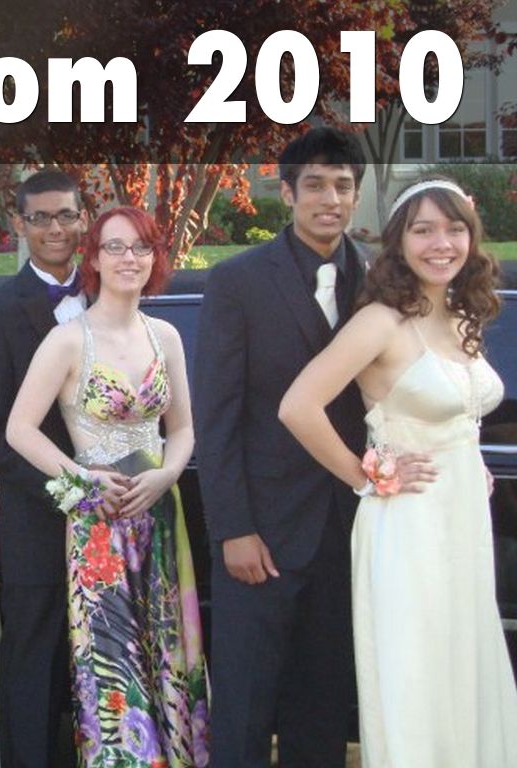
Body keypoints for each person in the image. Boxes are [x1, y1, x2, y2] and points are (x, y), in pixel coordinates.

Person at [280, 178, 517, 766]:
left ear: (471, 237)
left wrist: (467, 458)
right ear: (400, 242)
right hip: (408, 524)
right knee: (418, 672)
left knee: (463, 664)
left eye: (455, 229)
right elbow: (298, 407)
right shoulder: (381, 322)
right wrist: (366, 476)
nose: (442, 243)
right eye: (423, 230)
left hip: (462, 518)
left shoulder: (462, 312)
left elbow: (458, 411)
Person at [193, 127, 372, 767]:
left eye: (343, 186)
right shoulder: (237, 282)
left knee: (322, 705)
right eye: (315, 185)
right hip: (261, 535)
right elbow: (217, 418)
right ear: (288, 192)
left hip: (348, 531)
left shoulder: (380, 282)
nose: (331, 199)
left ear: (356, 195)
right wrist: (233, 529)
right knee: (244, 705)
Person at [7, 206, 209, 767]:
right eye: (114, 247)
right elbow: (18, 429)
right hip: (99, 523)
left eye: (141, 247)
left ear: (155, 258)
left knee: (169, 649)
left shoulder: (165, 336)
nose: (129, 258)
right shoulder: (67, 341)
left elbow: (184, 428)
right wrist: (82, 478)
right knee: (113, 662)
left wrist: (168, 473)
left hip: (161, 515)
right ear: (93, 258)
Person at [0, 169, 87, 768]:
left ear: (84, 219)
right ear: (19, 224)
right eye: (40, 217)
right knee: (34, 658)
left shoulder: (115, 293)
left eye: (66, 215)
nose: (55, 228)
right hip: (37, 520)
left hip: (120, 518)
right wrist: (70, 492)